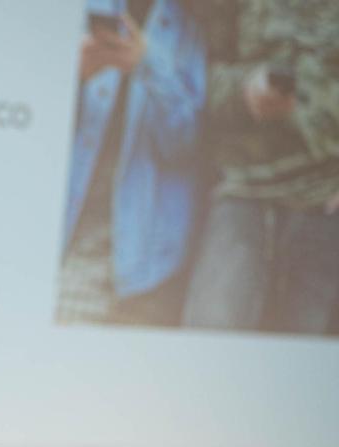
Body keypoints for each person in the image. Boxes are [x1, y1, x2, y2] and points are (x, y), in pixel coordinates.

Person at [181, 0, 339, 333]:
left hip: (326, 206)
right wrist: (244, 92)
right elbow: (190, 73)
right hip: (241, 192)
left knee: (302, 363)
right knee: (211, 339)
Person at [56, 0, 206, 326]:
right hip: (74, 243)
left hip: (145, 257)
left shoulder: (188, 33)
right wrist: (76, 77)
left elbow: (184, 145)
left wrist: (147, 65)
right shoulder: (80, 13)